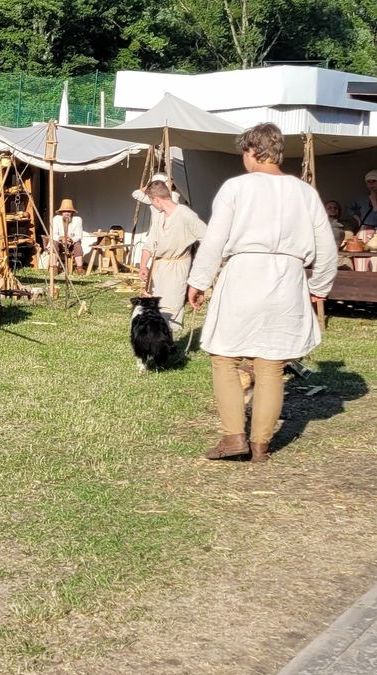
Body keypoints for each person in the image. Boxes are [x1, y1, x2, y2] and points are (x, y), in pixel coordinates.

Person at [186, 123, 337, 463]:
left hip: (244, 275)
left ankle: (234, 436)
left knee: (224, 356)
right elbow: (327, 247)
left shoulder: (237, 187)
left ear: (252, 151)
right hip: (288, 279)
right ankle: (260, 446)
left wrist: (198, 280)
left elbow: (215, 239)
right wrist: (319, 287)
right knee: (270, 365)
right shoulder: (304, 192)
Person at [137, 182, 207, 330]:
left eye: (151, 201)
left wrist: (203, 267)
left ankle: (171, 340)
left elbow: (208, 238)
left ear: (157, 199)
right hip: (158, 267)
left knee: (172, 306)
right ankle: (156, 336)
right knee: (156, 305)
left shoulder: (186, 215)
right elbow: (150, 244)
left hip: (177, 266)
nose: (153, 205)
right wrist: (143, 265)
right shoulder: (159, 216)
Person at [49, 198, 84, 275]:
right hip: (60, 243)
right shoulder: (56, 219)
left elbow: (79, 235)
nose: (67, 213)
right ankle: (55, 268)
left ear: (72, 212)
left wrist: (71, 240)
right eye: (65, 211)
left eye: (69, 211)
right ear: (61, 212)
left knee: (78, 245)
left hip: (71, 243)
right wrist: (62, 238)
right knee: (54, 244)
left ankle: (80, 268)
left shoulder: (77, 220)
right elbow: (53, 234)